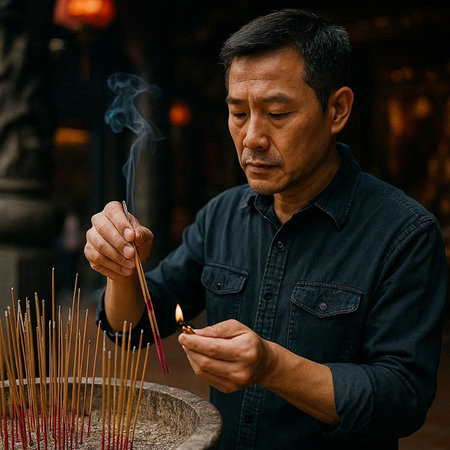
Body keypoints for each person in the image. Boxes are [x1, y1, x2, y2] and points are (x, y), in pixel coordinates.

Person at [84, 9, 448, 450]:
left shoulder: (403, 233)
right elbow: (134, 326)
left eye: (277, 113)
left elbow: (402, 398)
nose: (252, 137)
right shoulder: (222, 215)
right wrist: (121, 271)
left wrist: (272, 366)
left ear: (337, 109)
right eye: (238, 113)